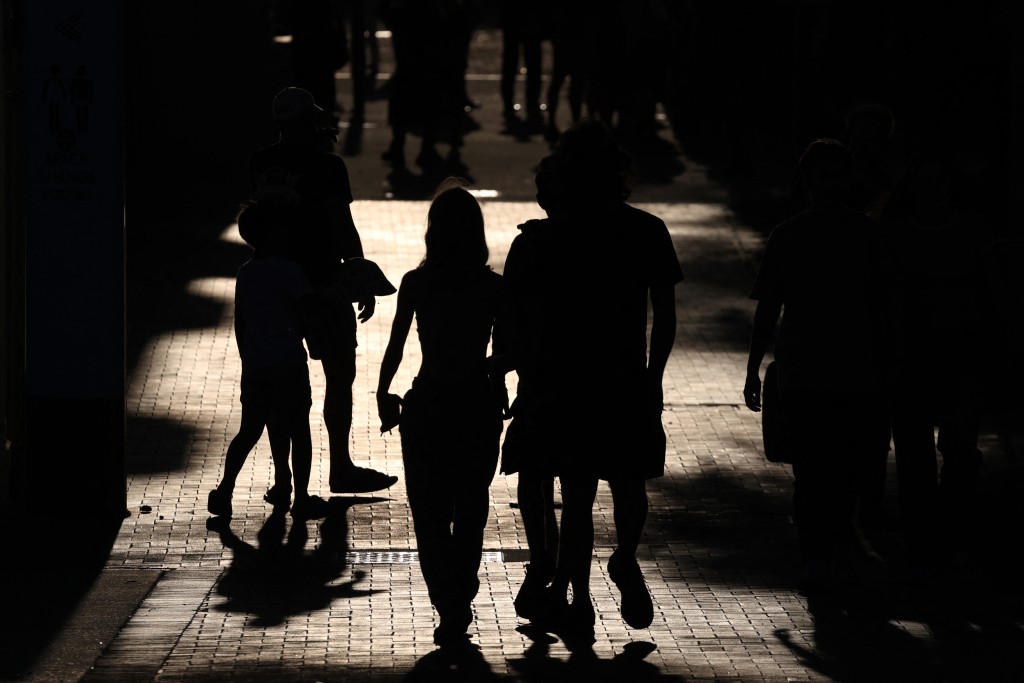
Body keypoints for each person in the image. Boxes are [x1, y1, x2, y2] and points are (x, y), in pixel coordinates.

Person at [500, 120, 683, 646]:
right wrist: (654, 375)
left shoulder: (544, 238)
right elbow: (664, 314)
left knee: (571, 489)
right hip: (620, 373)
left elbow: (514, 313)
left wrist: (512, 367)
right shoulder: (645, 229)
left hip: (557, 375)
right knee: (627, 480)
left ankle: (569, 587)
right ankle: (616, 562)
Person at [743, 138, 890, 592]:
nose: (831, 183)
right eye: (823, 174)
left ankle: (826, 549)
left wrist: (755, 368)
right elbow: (768, 307)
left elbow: (884, 306)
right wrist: (753, 366)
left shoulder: (838, 235)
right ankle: (823, 550)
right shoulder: (803, 234)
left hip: (844, 364)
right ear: (810, 180)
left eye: (836, 174)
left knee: (836, 465)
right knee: (818, 466)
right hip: (813, 365)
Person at [375, 178, 507, 649]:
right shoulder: (493, 287)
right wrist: (498, 378)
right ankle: (462, 591)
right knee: (471, 504)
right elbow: (508, 349)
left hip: (428, 402)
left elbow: (395, 345)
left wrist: (382, 391)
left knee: (428, 509)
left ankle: (447, 601)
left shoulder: (417, 283)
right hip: (476, 402)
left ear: (434, 231)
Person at [249, 86, 397, 494]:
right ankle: (340, 465)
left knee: (282, 379)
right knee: (339, 372)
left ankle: (284, 478)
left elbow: (254, 225)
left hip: (275, 283)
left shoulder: (260, 163)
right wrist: (360, 275)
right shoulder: (328, 167)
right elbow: (340, 225)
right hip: (322, 283)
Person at [880, 150, 992, 575]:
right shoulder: (897, 234)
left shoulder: (971, 231)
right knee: (915, 457)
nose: (933, 191)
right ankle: (924, 542)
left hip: (961, 352)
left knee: (960, 452)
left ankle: (954, 535)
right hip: (911, 356)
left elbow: (989, 292)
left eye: (940, 182)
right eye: (925, 183)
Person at [208, 200, 329, 521]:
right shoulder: (291, 271)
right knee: (298, 429)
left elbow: (241, 322)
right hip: (288, 362)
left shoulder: (246, 273)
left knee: (250, 429)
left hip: (257, 365)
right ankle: (301, 496)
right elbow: (307, 312)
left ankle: (226, 489)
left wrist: (248, 358)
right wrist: (316, 344)